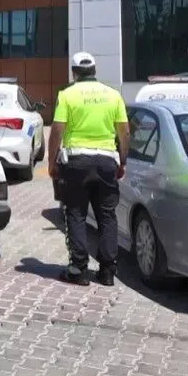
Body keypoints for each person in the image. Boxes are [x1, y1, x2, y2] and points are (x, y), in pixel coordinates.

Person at [45, 51, 130, 286]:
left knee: (76, 213)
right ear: (94, 70)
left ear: (74, 72)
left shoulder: (67, 95)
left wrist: (51, 163)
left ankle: (78, 269)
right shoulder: (113, 95)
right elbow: (124, 132)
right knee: (107, 215)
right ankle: (107, 271)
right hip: (106, 162)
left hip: (76, 162)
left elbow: (57, 130)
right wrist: (122, 161)